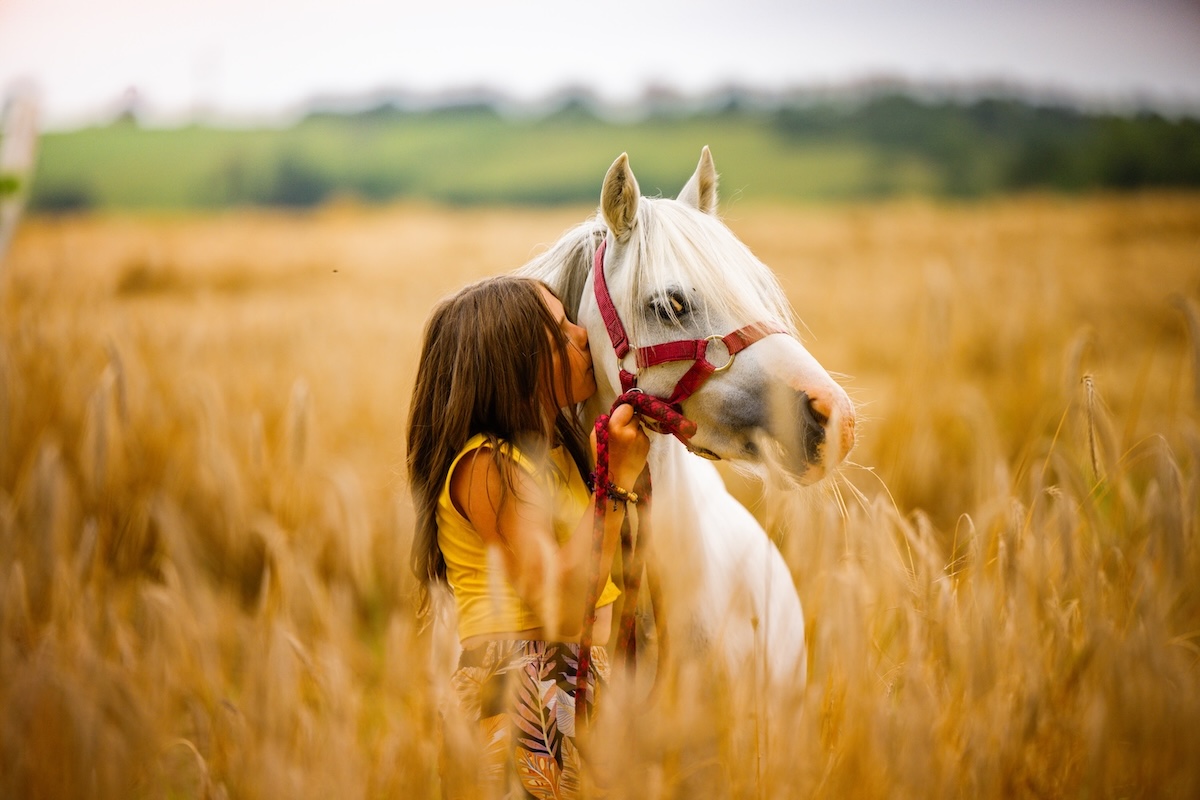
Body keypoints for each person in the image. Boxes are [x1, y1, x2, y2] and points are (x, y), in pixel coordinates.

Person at [407, 275, 650, 798]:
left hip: (572, 683)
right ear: (516, 367)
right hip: (525, 692)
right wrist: (614, 483)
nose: (583, 334)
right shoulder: (488, 466)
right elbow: (562, 607)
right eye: (561, 331)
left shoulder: (554, 456)